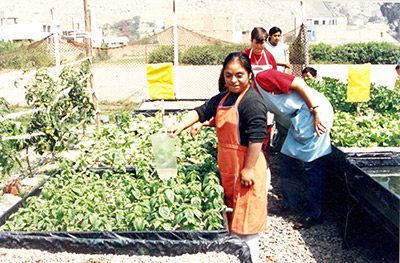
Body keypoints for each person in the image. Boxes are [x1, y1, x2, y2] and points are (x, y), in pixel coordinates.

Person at [168, 52, 267, 263]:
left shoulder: (252, 102)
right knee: (232, 219)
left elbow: (257, 138)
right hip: (229, 168)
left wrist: (248, 169)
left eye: (239, 75)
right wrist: (181, 125)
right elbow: (201, 111)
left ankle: (252, 260)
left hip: (248, 166)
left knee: (247, 225)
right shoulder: (223, 98)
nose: (233, 80)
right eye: (228, 75)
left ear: (249, 74)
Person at [254, 68, 334, 229]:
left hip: (316, 112)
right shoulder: (250, 95)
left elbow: (299, 83)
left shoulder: (263, 77)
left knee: (313, 164)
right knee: (287, 158)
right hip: (299, 118)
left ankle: (313, 213)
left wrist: (315, 110)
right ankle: (290, 204)